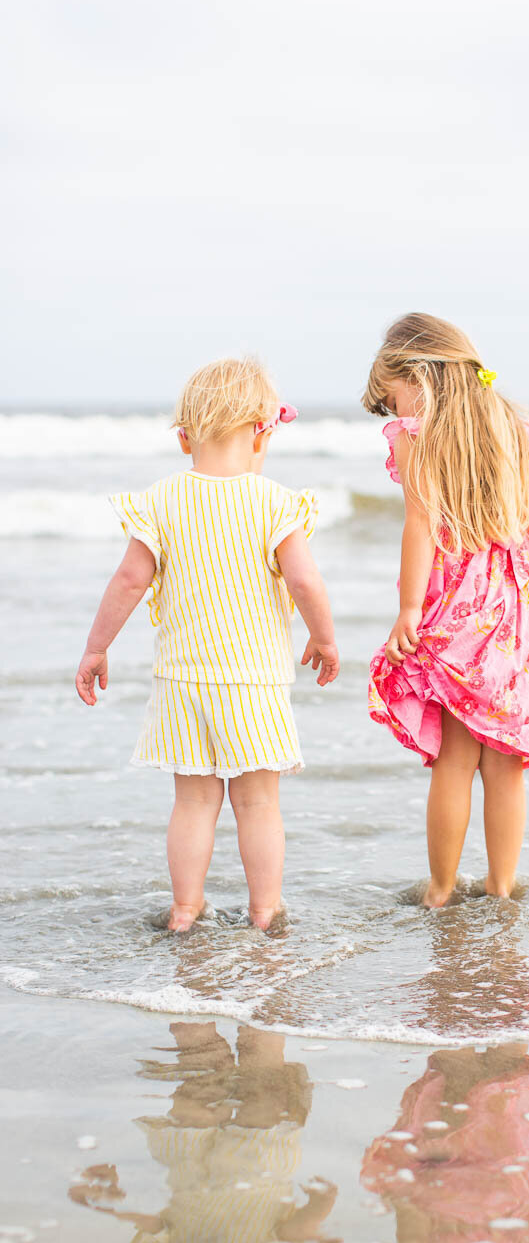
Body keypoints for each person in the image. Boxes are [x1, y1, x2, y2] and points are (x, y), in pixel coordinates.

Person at [75, 356, 339, 930]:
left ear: (184, 436)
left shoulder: (163, 499)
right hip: (254, 683)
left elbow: (129, 581)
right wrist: (323, 637)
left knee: (193, 804)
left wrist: (97, 648)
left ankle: (184, 908)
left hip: (182, 683)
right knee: (258, 804)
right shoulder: (274, 501)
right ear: (262, 432)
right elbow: (303, 580)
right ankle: (264, 911)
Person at [362, 313, 529, 907]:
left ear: (417, 374)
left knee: (456, 757)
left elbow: (422, 524)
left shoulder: (418, 435)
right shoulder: (516, 426)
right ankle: (503, 890)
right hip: (521, 610)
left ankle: (439, 890)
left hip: (461, 607)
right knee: (506, 761)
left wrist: (408, 608)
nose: (396, 410)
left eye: (394, 395)